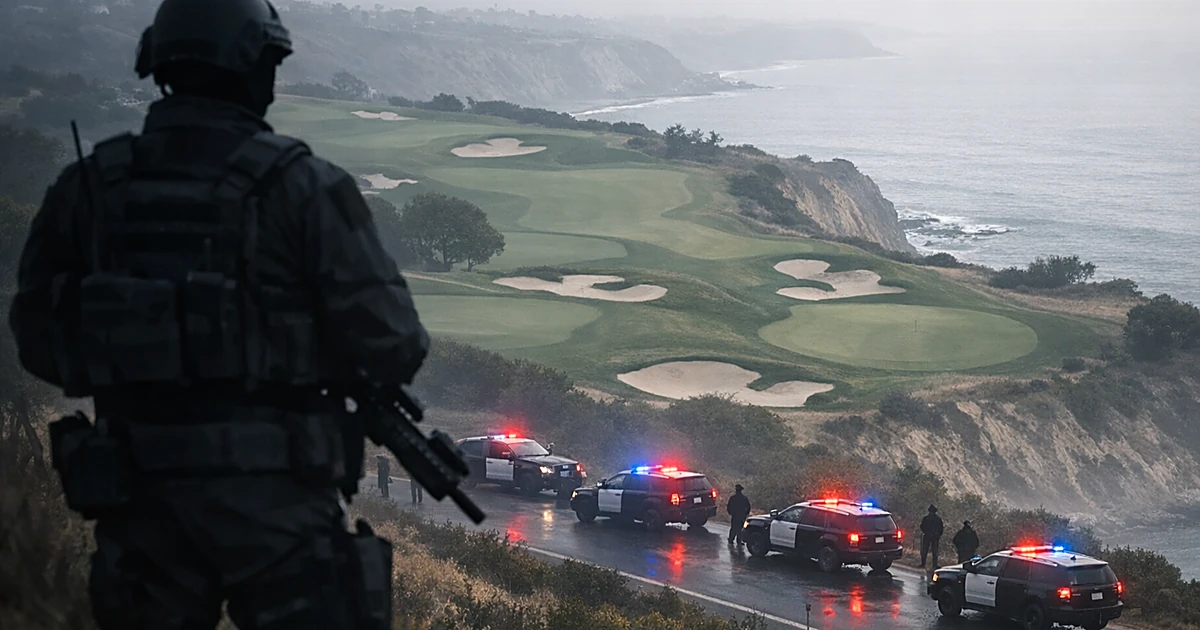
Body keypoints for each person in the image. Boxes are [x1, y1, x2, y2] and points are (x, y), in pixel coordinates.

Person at [6, 0, 429, 628]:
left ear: (161, 64)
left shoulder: (90, 187)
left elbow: (36, 338)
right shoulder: (303, 186)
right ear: (251, 66)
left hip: (139, 499)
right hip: (280, 503)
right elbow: (395, 342)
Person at [919, 504, 945, 569]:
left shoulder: (926, 518)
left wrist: (926, 532)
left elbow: (922, 526)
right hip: (935, 536)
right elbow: (941, 528)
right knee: (935, 551)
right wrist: (938, 534)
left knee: (925, 550)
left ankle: (923, 563)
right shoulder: (938, 519)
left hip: (927, 535)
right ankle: (934, 565)